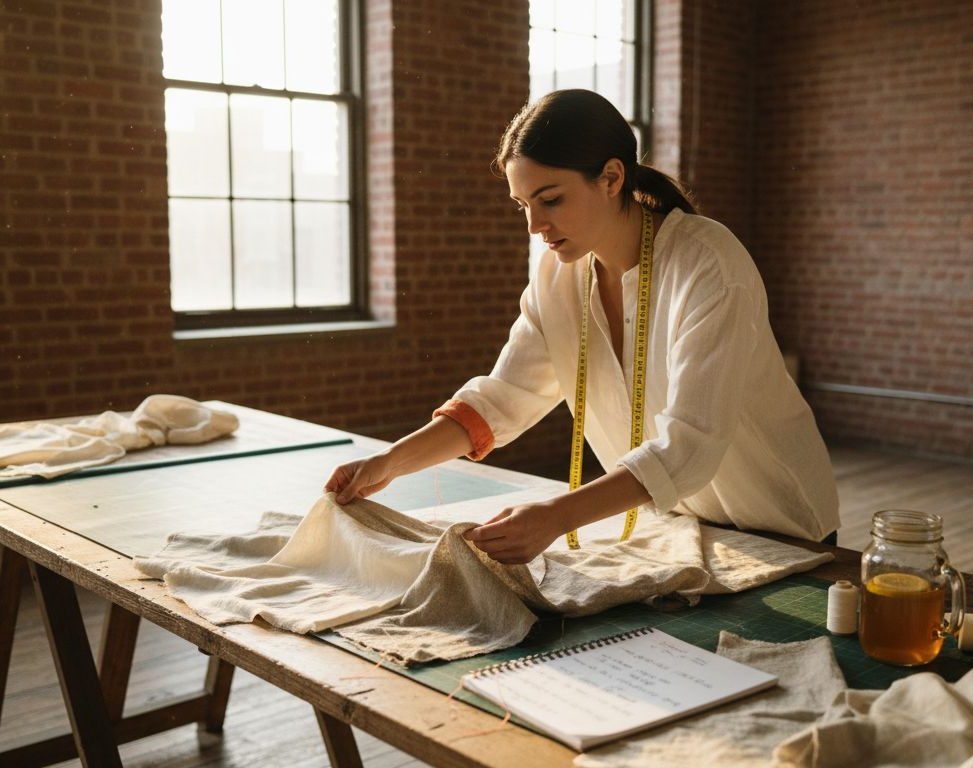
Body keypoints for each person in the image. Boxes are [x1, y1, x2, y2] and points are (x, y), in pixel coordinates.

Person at [325, 89, 839, 564]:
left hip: (779, 529)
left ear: (612, 178)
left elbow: (691, 445)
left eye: (550, 200)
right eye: (522, 205)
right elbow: (503, 398)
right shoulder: (558, 277)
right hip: (677, 526)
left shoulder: (708, 266)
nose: (533, 226)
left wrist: (556, 516)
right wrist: (388, 464)